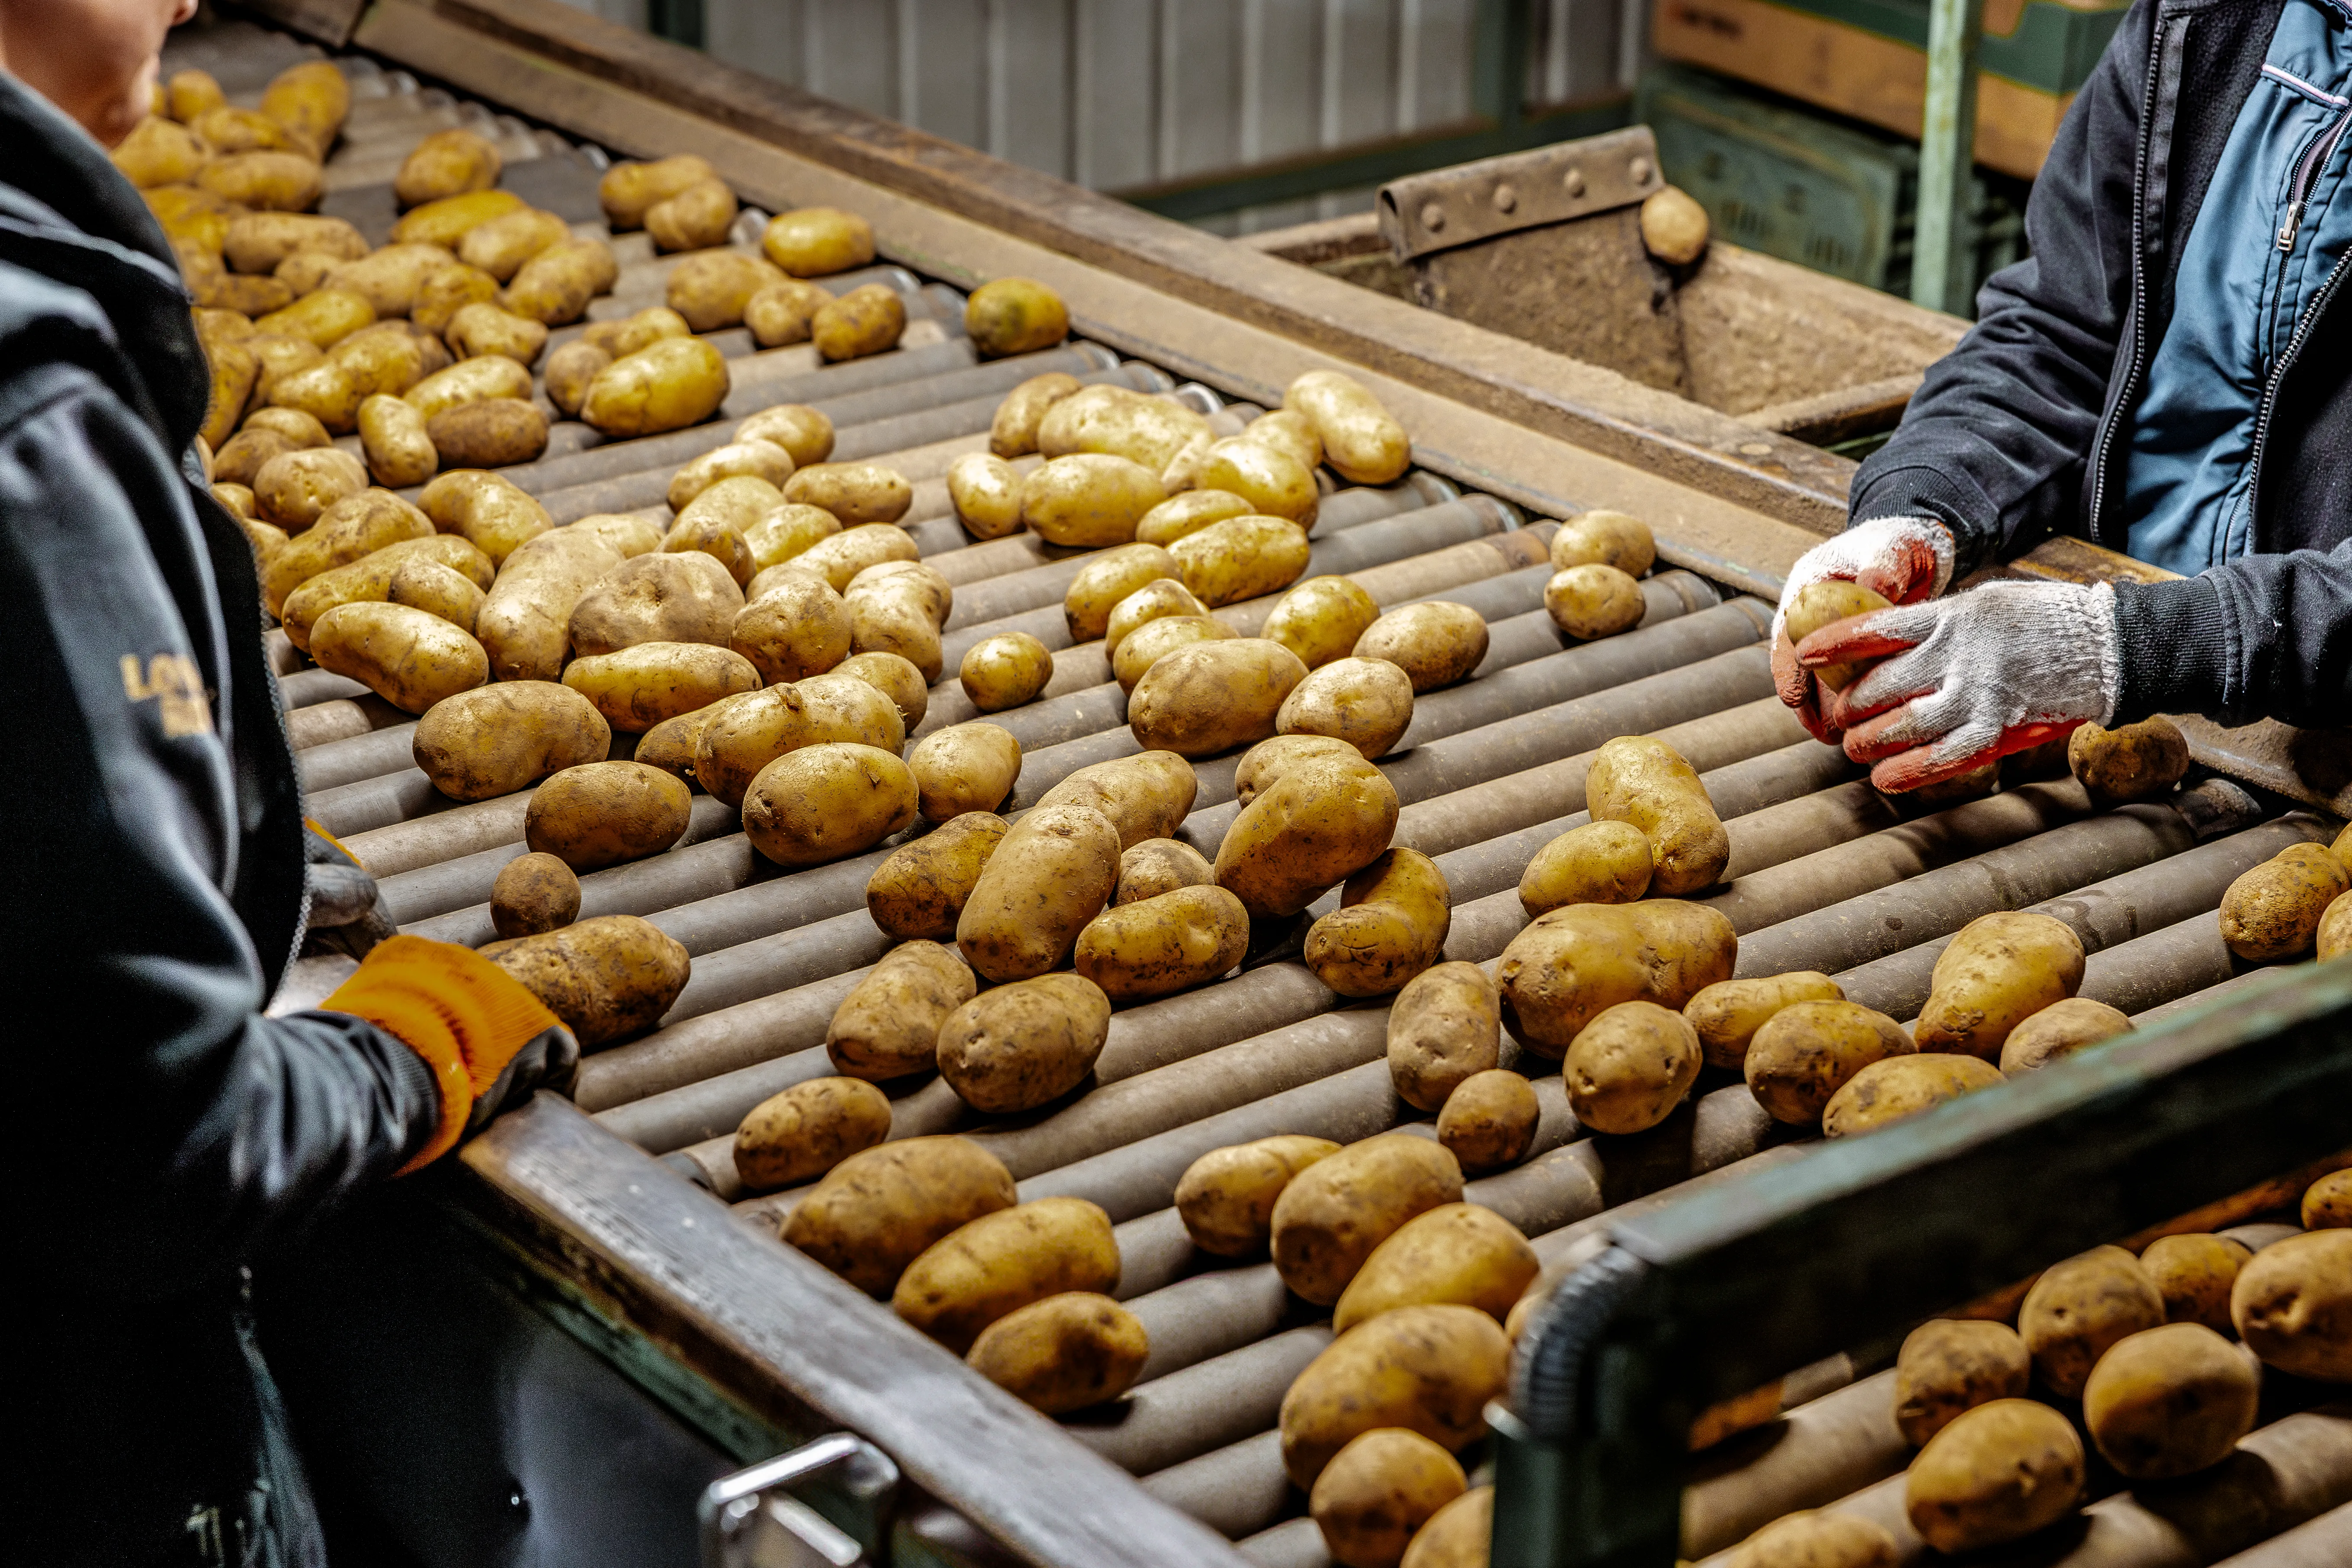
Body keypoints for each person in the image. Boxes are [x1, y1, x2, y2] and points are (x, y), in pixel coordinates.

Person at [0, 4, 578, 1563]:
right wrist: (399, 1061)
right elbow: (151, 1149)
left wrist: (131, 810)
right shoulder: (29, 408)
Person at [1775, 0, 2352, 789]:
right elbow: (2060, 329)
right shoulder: (2205, 17)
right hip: (2104, 725)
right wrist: (1920, 506)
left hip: (2316, 745)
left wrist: (2129, 647)